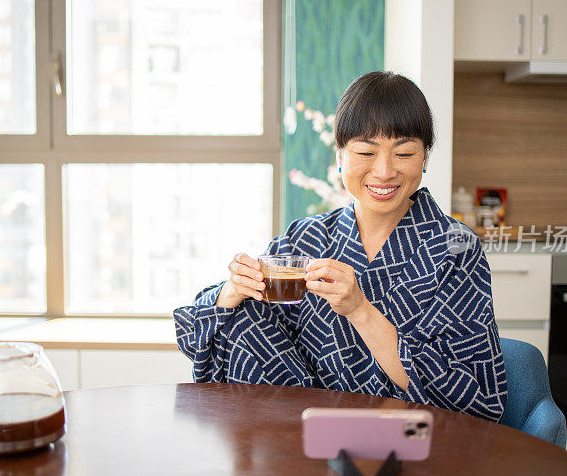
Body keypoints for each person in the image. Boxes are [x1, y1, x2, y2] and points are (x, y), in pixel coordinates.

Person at [174, 71, 507, 422]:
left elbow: (477, 398)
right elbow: (198, 331)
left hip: (411, 442)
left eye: (404, 153)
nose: (384, 171)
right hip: (303, 442)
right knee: (240, 315)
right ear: (340, 157)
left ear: (424, 158)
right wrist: (231, 292)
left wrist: (361, 310)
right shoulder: (307, 239)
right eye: (365, 151)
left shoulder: (456, 248)